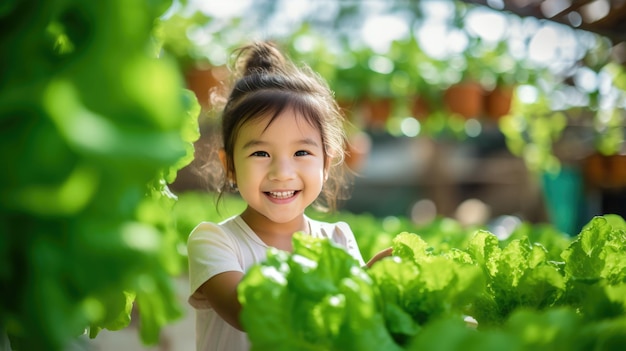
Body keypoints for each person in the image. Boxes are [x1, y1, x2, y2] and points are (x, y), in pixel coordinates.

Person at [186, 41, 393, 351]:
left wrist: (378, 281)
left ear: (327, 162)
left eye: (301, 152)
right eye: (260, 152)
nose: (282, 172)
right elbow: (252, 314)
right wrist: (362, 284)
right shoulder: (214, 241)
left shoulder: (338, 237)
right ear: (229, 166)